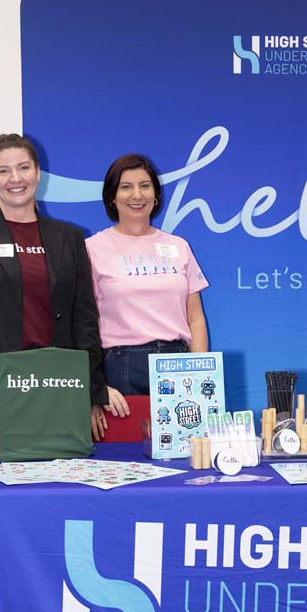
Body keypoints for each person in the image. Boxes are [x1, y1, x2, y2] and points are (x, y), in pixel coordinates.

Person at [0, 133, 109, 487]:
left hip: (57, 394)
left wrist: (90, 396)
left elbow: (84, 321)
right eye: (3, 170)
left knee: (51, 502)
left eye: (24, 167)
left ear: (38, 172)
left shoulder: (69, 237)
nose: (16, 178)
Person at [86, 153, 209, 431]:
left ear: (155, 195)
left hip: (177, 366)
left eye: (145, 185)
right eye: (126, 187)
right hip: (121, 367)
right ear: (112, 197)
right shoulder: (92, 249)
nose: (137, 195)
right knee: (126, 452)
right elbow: (84, 324)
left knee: (181, 448)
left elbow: (196, 318)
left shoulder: (179, 246)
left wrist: (200, 374)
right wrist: (96, 386)